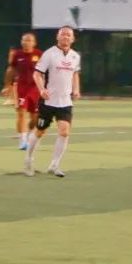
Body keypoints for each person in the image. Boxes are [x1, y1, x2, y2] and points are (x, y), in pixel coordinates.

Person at [24, 26, 81, 178]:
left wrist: (76, 89)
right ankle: (28, 159)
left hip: (65, 102)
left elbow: (75, 74)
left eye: (68, 35)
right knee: (40, 131)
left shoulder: (75, 56)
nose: (66, 37)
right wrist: (42, 89)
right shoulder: (49, 54)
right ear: (57, 37)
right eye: (63, 34)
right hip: (48, 101)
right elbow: (37, 74)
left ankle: (54, 165)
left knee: (64, 132)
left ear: (73, 39)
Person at [10, 33, 43, 151]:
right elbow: (12, 69)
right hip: (22, 88)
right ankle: (23, 140)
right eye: (24, 40)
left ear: (34, 43)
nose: (26, 42)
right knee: (21, 113)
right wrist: (8, 85)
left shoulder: (39, 54)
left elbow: (45, 71)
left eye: (29, 40)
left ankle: (30, 135)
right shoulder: (17, 54)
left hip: (36, 89)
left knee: (35, 118)